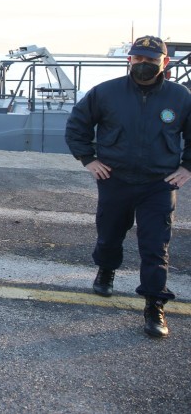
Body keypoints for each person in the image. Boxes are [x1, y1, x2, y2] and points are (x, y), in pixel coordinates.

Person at [64, 35, 191, 338]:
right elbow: (77, 125)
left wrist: (187, 167)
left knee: (155, 246)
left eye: (151, 60)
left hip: (158, 184)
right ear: (129, 60)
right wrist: (88, 159)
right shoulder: (105, 93)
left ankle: (154, 304)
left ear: (165, 62)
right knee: (109, 236)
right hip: (115, 179)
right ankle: (106, 270)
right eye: (139, 59)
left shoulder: (181, 97)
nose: (144, 65)